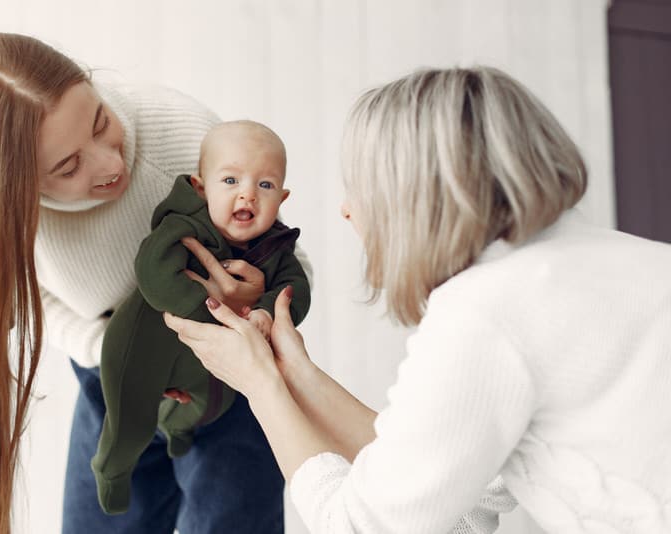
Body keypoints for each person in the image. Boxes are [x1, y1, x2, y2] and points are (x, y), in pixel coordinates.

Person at [164, 66, 671, 533]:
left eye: (360, 186)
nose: (346, 209)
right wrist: (295, 372)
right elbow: (457, 501)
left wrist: (260, 385)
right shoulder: (617, 261)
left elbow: (366, 527)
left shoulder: (484, 313)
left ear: (407, 192)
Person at [0, 32, 309, 534]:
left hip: (232, 381)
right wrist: (108, 351)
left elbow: (289, 254)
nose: (111, 164)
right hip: (112, 383)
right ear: (17, 186)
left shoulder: (181, 133)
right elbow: (37, 299)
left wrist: (257, 298)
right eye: (68, 166)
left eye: (101, 122)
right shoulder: (0, 218)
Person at [93, 120, 311, 514]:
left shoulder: (277, 248)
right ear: (200, 188)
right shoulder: (182, 227)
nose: (247, 194)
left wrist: (265, 310)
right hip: (143, 347)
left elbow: (295, 290)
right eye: (230, 180)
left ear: (282, 198)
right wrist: (221, 308)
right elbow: (156, 275)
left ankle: (178, 430)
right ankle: (112, 468)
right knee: (131, 417)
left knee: (210, 406)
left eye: (265, 185)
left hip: (211, 359)